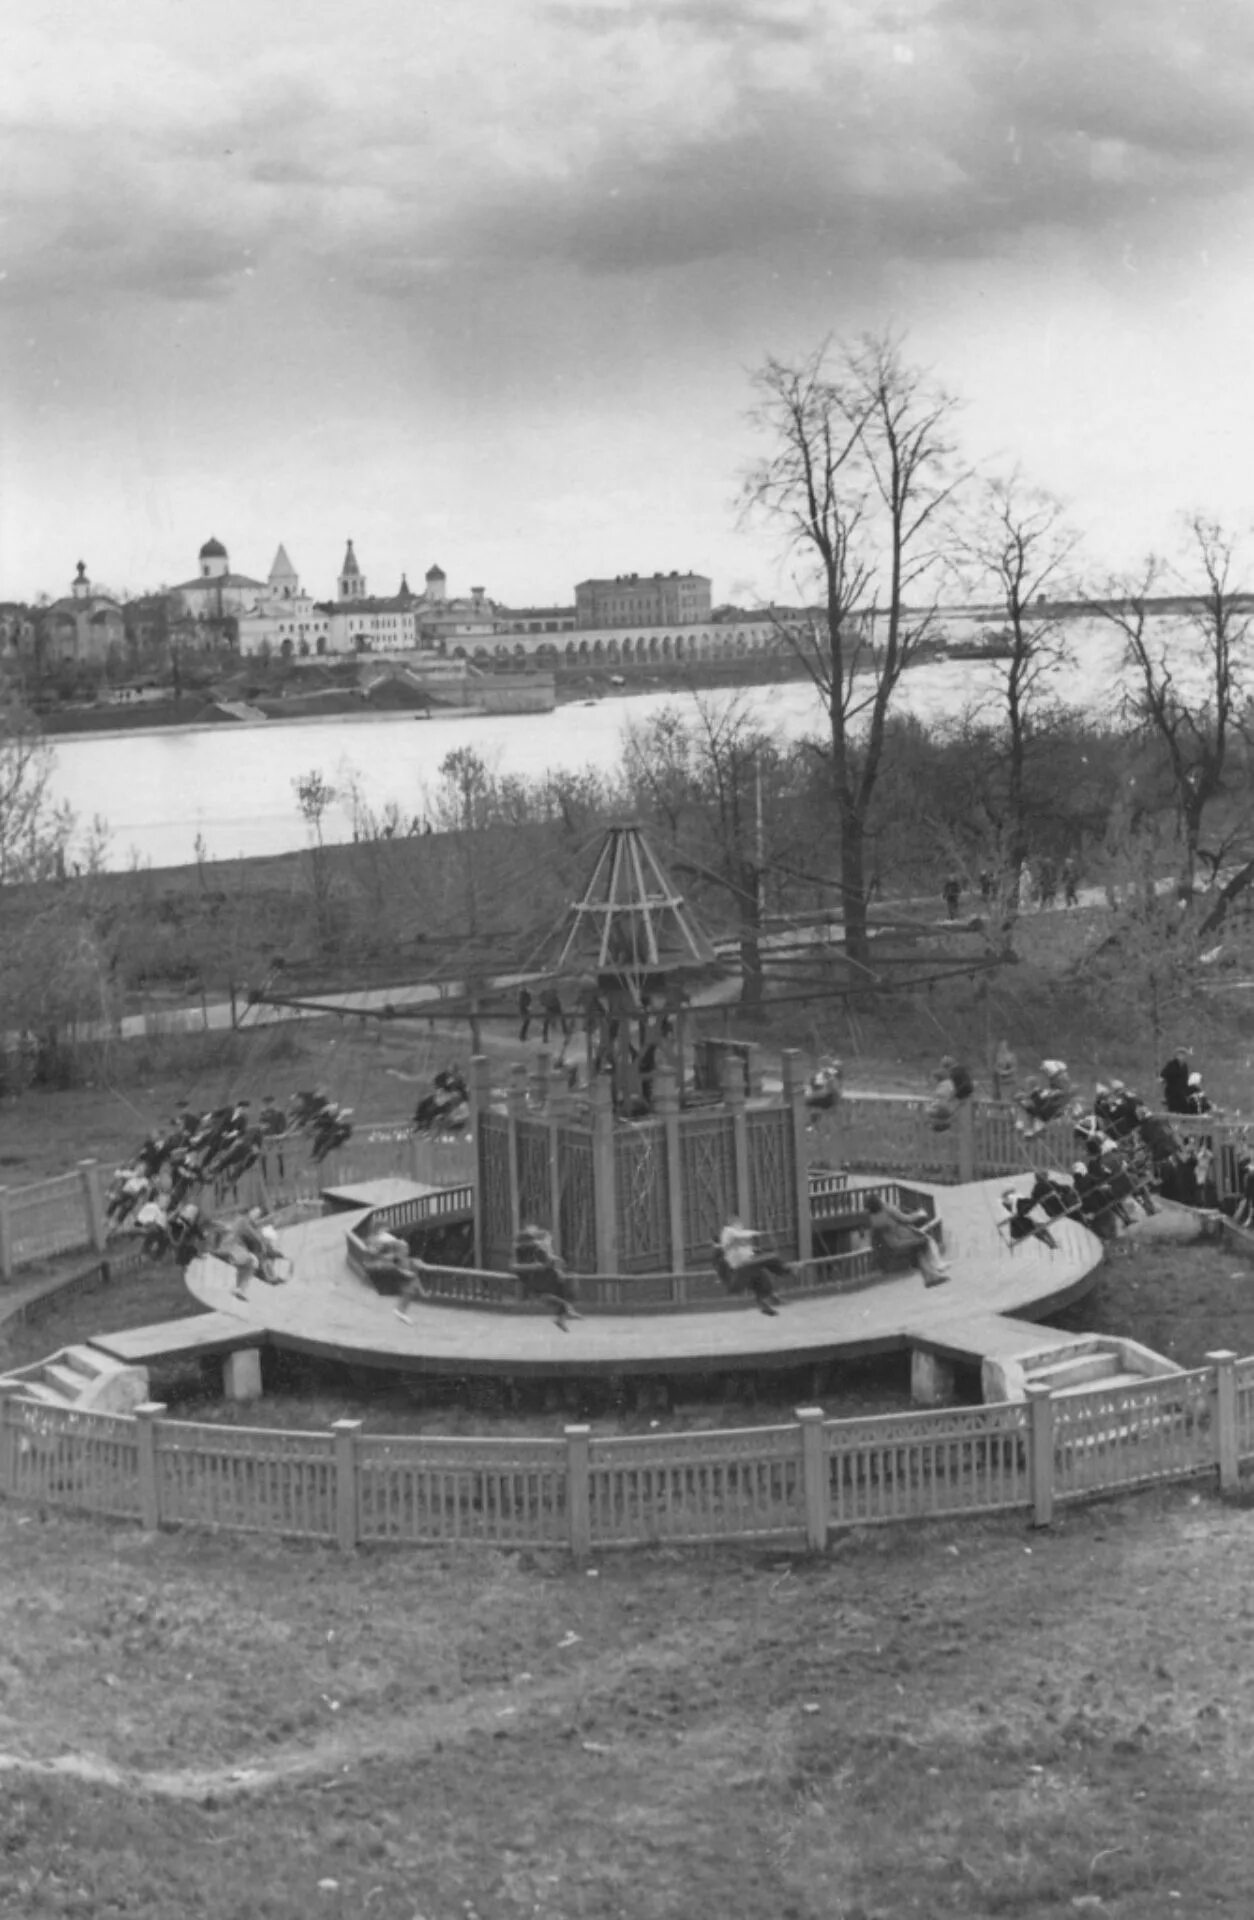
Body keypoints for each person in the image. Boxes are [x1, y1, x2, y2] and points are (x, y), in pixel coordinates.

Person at [864, 1194, 950, 1287]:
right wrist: (920, 1214)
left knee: (918, 1252)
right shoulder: (888, 1209)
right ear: (878, 1201)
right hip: (901, 1241)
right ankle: (938, 1265)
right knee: (926, 1240)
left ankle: (931, 1278)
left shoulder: (873, 1218)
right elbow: (906, 1219)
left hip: (891, 1245)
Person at [713, 1219, 789, 1316]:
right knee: (769, 1259)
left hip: (744, 1272)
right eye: (738, 1225)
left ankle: (765, 1304)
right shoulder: (727, 1235)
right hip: (738, 1273)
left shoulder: (739, 1245)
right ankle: (786, 1271)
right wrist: (756, 1233)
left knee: (761, 1277)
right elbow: (738, 1235)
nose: (740, 1228)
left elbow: (743, 1243)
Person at [513, 1224, 580, 1330]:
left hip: (539, 1279)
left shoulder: (533, 1249)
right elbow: (516, 1266)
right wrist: (536, 1266)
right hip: (537, 1279)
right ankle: (565, 1311)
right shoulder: (526, 1250)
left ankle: (563, 1314)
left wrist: (555, 1261)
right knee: (554, 1291)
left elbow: (546, 1261)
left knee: (560, 1289)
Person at [1160, 1048, 1192, 1115]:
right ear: (1176, 1055)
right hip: (1172, 1091)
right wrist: (1163, 1079)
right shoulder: (1171, 1064)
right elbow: (1163, 1074)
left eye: (1183, 1055)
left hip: (1182, 1091)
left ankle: (1185, 1120)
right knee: (1173, 1108)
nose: (1181, 1057)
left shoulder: (1184, 1066)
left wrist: (1187, 1091)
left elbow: (1185, 1080)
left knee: (1185, 1107)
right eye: (1180, 1055)